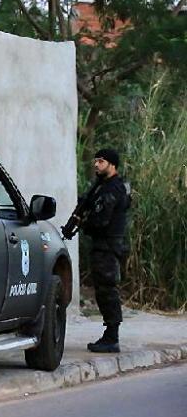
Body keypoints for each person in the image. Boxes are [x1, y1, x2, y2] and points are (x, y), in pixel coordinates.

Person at [79, 148, 131, 353]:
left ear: (112, 164)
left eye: (101, 161)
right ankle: (110, 335)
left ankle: (112, 337)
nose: (96, 164)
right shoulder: (102, 186)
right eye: (95, 161)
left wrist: (85, 223)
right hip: (104, 246)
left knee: (107, 290)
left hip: (107, 246)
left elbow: (101, 221)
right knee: (103, 289)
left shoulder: (113, 189)